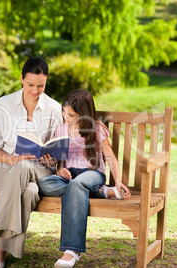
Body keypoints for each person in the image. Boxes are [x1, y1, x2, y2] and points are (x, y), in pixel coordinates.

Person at [0, 57, 62, 268]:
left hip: (41, 171)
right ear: (21, 79)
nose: (35, 91)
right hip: (5, 170)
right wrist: (13, 158)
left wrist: (52, 157)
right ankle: (0, 252)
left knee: (26, 170)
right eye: (30, 85)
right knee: (28, 191)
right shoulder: (5, 104)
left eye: (41, 86)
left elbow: (58, 150)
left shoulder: (55, 109)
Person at [38, 89, 131, 268]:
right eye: (64, 112)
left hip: (92, 173)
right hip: (70, 176)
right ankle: (103, 193)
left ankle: (72, 250)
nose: (66, 117)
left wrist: (117, 181)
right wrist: (60, 169)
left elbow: (110, 157)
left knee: (78, 185)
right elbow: (60, 158)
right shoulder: (61, 128)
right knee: (44, 183)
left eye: (71, 115)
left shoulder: (96, 128)